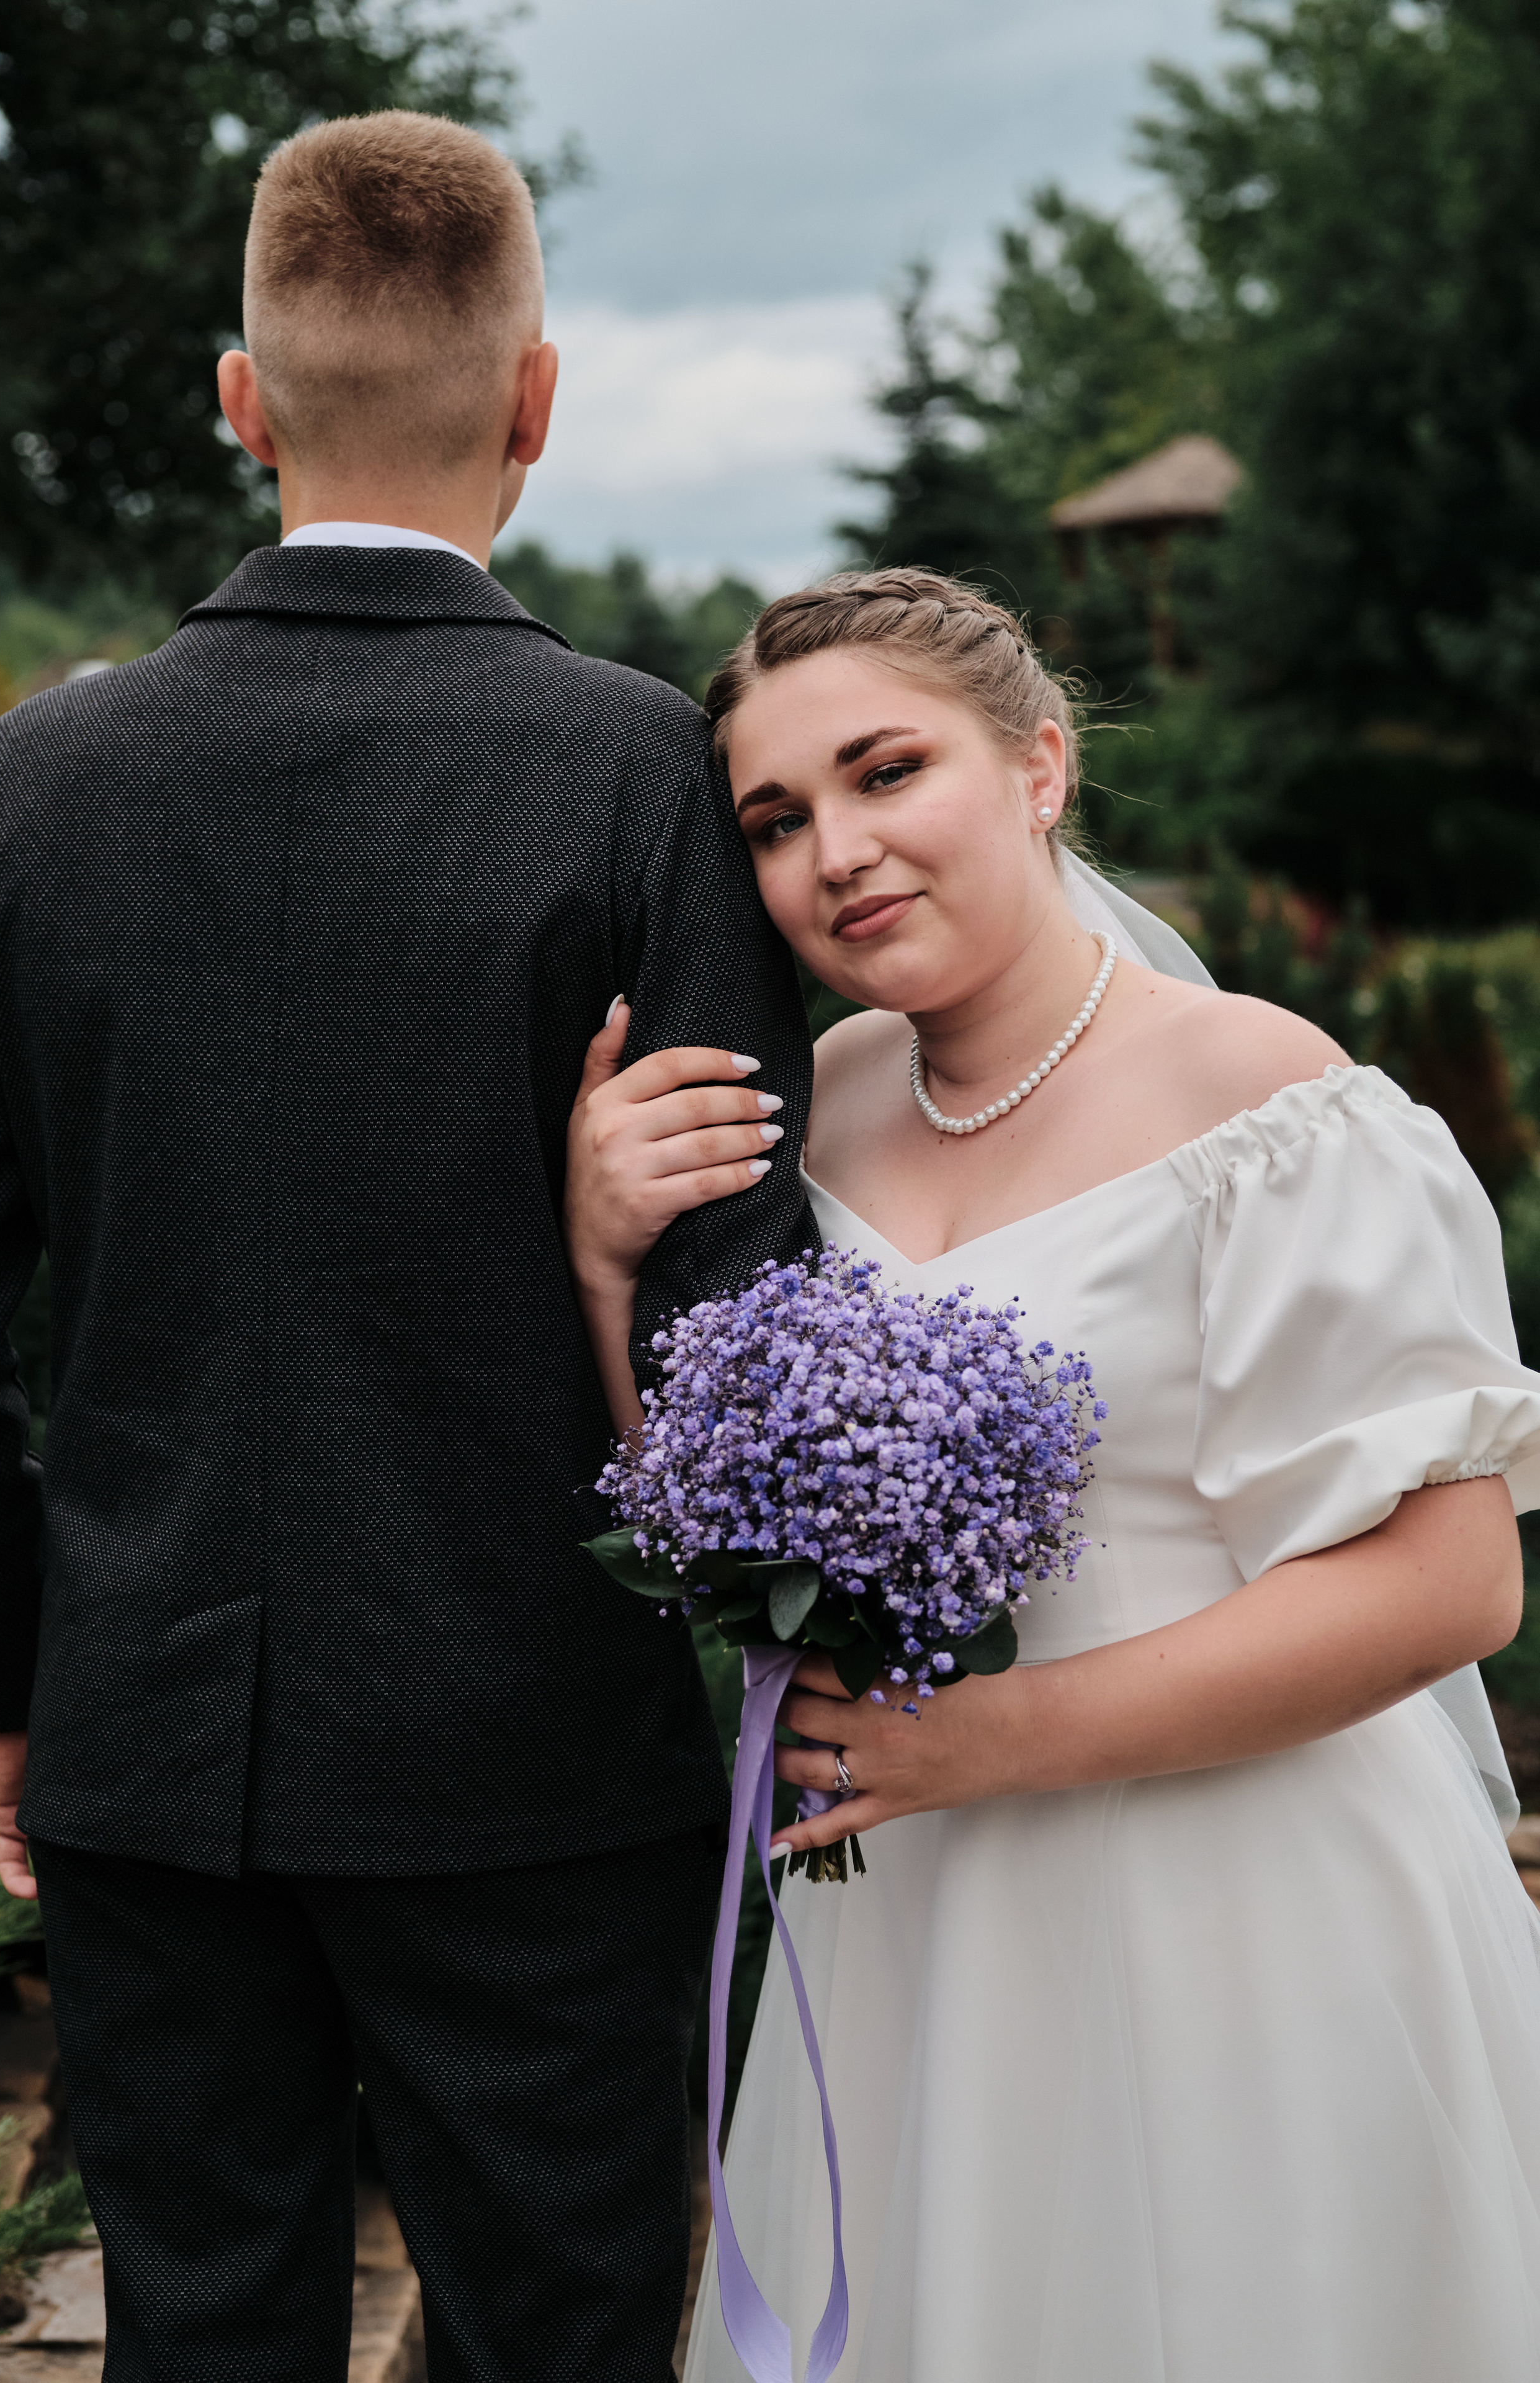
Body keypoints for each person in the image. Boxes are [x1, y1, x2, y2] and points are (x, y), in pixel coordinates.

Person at [0, 111, 814, 2382]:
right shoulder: (640, 771)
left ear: (242, 402)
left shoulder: (22, 790)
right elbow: (744, 1306)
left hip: (145, 1739)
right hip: (533, 1755)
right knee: (562, 2333)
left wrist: (7, 1684)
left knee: (201, 2334)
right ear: (537, 403)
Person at [563, 567, 1540, 2382]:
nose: (835, 851)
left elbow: (1453, 1584)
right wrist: (612, 1265)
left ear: (1039, 765)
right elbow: (712, 1525)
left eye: (885, 772)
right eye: (778, 820)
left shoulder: (1266, 1099)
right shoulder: (814, 1107)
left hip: (1242, 1907)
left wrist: (994, 1743)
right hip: (924, 1943)